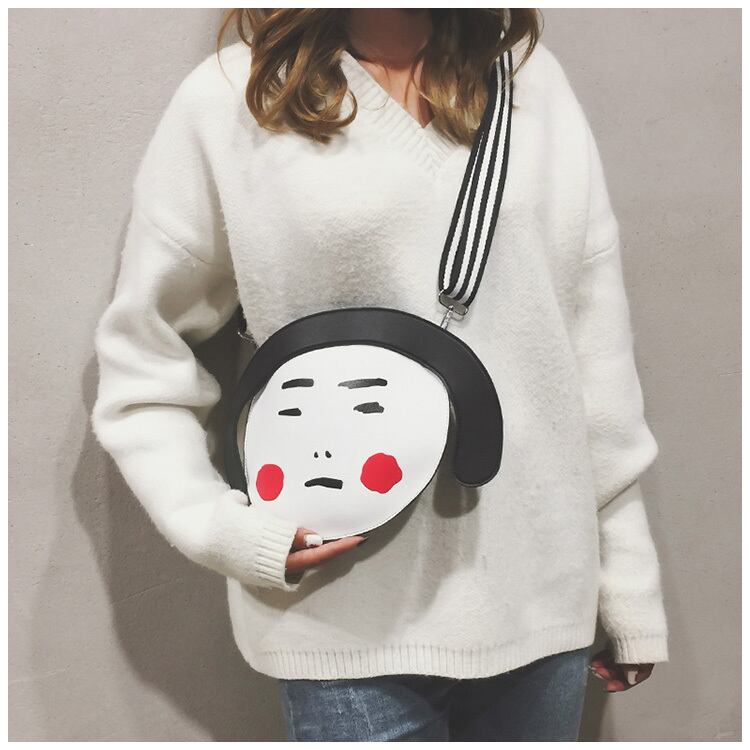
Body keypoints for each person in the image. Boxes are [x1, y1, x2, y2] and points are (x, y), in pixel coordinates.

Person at [91, 8, 669, 742]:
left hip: (541, 604)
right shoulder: (234, 99)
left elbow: (591, 353)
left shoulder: (531, 84)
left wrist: (626, 581)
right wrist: (222, 528)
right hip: (342, 618)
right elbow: (145, 361)